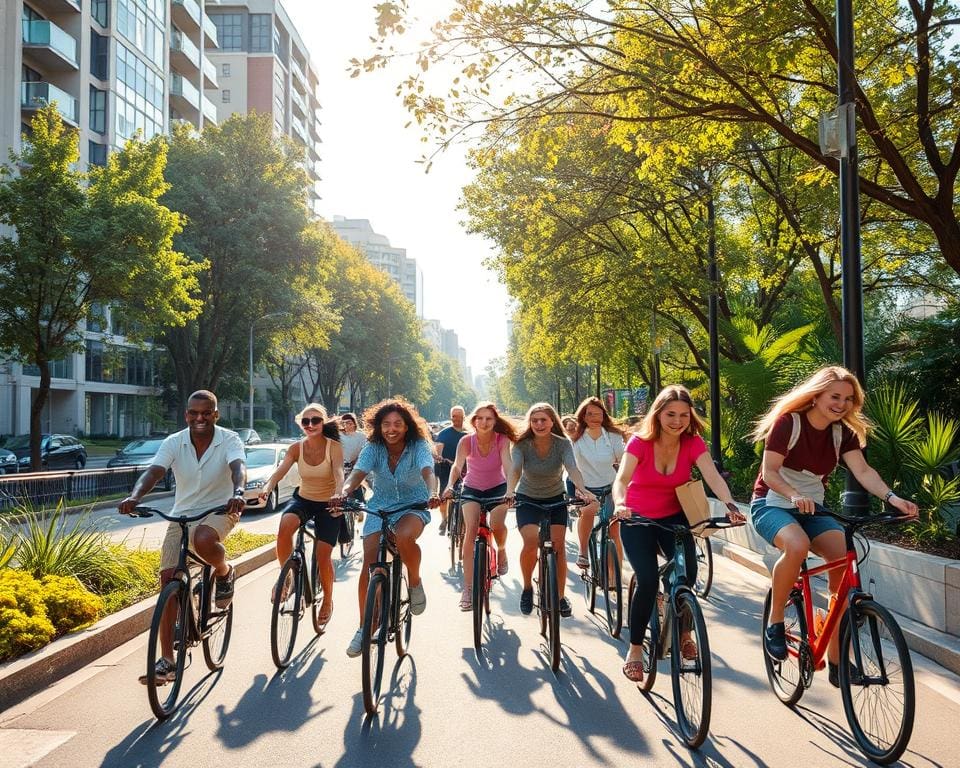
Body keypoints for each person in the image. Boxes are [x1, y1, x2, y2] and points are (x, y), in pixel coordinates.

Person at [750, 365, 918, 686]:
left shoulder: (844, 433)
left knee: (843, 559)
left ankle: (838, 660)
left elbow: (864, 472)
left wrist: (893, 498)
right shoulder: (789, 423)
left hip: (814, 508)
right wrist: (794, 494)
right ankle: (775, 622)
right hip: (772, 503)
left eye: (848, 399)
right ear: (817, 395)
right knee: (797, 546)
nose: (841, 404)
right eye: (834, 396)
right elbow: (770, 472)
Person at [612, 385, 742, 683]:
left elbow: (712, 477)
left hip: (675, 517)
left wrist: (731, 505)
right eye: (671, 414)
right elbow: (621, 480)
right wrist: (620, 504)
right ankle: (634, 650)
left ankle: (684, 632)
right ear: (658, 414)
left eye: (684, 415)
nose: (677, 420)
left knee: (687, 573)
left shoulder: (693, 443)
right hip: (637, 517)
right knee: (647, 579)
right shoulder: (640, 443)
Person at [118, 390, 246, 685]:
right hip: (183, 513)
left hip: (221, 509)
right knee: (167, 580)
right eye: (193, 413)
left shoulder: (229, 440)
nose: (199, 418)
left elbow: (238, 467)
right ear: (186, 414)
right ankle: (168, 661)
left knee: (203, 539)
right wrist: (134, 496)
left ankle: (225, 572)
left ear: (216, 414)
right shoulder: (174, 442)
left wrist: (238, 492)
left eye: (206, 413)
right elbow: (154, 471)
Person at [331, 398, 441, 657]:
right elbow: (358, 473)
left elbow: (428, 471)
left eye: (397, 424)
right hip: (379, 506)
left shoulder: (418, 446)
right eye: (386, 424)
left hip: (414, 504)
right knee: (369, 563)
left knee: (404, 538)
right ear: (378, 427)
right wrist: (345, 492)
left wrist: (433, 492)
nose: (391, 429)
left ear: (407, 427)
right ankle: (363, 627)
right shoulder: (373, 447)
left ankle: (414, 581)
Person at [505, 403, 595, 618]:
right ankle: (527, 588)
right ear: (530, 423)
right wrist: (510, 490)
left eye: (543, 420)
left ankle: (560, 596)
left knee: (558, 548)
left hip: (556, 499)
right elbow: (515, 468)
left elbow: (572, 468)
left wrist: (582, 490)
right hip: (528, 499)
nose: (539, 424)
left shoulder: (563, 444)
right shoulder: (521, 444)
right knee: (530, 543)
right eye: (534, 420)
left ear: (552, 421)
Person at [258, 404, 343, 624]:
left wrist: (338, 493)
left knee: (323, 557)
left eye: (315, 420)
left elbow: (339, 473)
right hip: (304, 499)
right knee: (285, 525)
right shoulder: (296, 448)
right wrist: (267, 488)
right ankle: (286, 578)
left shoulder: (333, 447)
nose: (310, 425)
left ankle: (327, 600)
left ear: (323, 422)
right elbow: (279, 471)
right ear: (301, 424)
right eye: (306, 422)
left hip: (329, 503)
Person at [442, 402, 517, 610]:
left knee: (497, 523)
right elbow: (457, 466)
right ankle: (467, 588)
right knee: (471, 530)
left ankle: (501, 550)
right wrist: (449, 486)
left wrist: (510, 489)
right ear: (474, 421)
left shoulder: (502, 440)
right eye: (480, 418)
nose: (484, 423)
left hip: (498, 488)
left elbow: (508, 465)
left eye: (489, 419)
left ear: (495, 422)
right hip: (472, 489)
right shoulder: (466, 441)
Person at [571, 397, 626, 570]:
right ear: (583, 417)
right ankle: (583, 551)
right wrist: (580, 490)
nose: (594, 417)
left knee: (613, 528)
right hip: (586, 487)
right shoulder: (576, 439)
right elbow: (572, 466)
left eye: (598, 414)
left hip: (611, 487)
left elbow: (624, 460)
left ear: (604, 415)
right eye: (589, 414)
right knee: (589, 510)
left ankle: (613, 573)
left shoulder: (613, 436)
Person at [434, 405, 468, 535]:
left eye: (459, 416)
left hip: (467, 469)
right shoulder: (444, 433)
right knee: (444, 494)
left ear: (464, 417)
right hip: (447, 468)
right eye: (454, 416)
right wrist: (441, 457)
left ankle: (464, 520)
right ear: (451, 417)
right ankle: (444, 520)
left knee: (466, 494)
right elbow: (438, 450)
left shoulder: (469, 433)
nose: (456, 419)